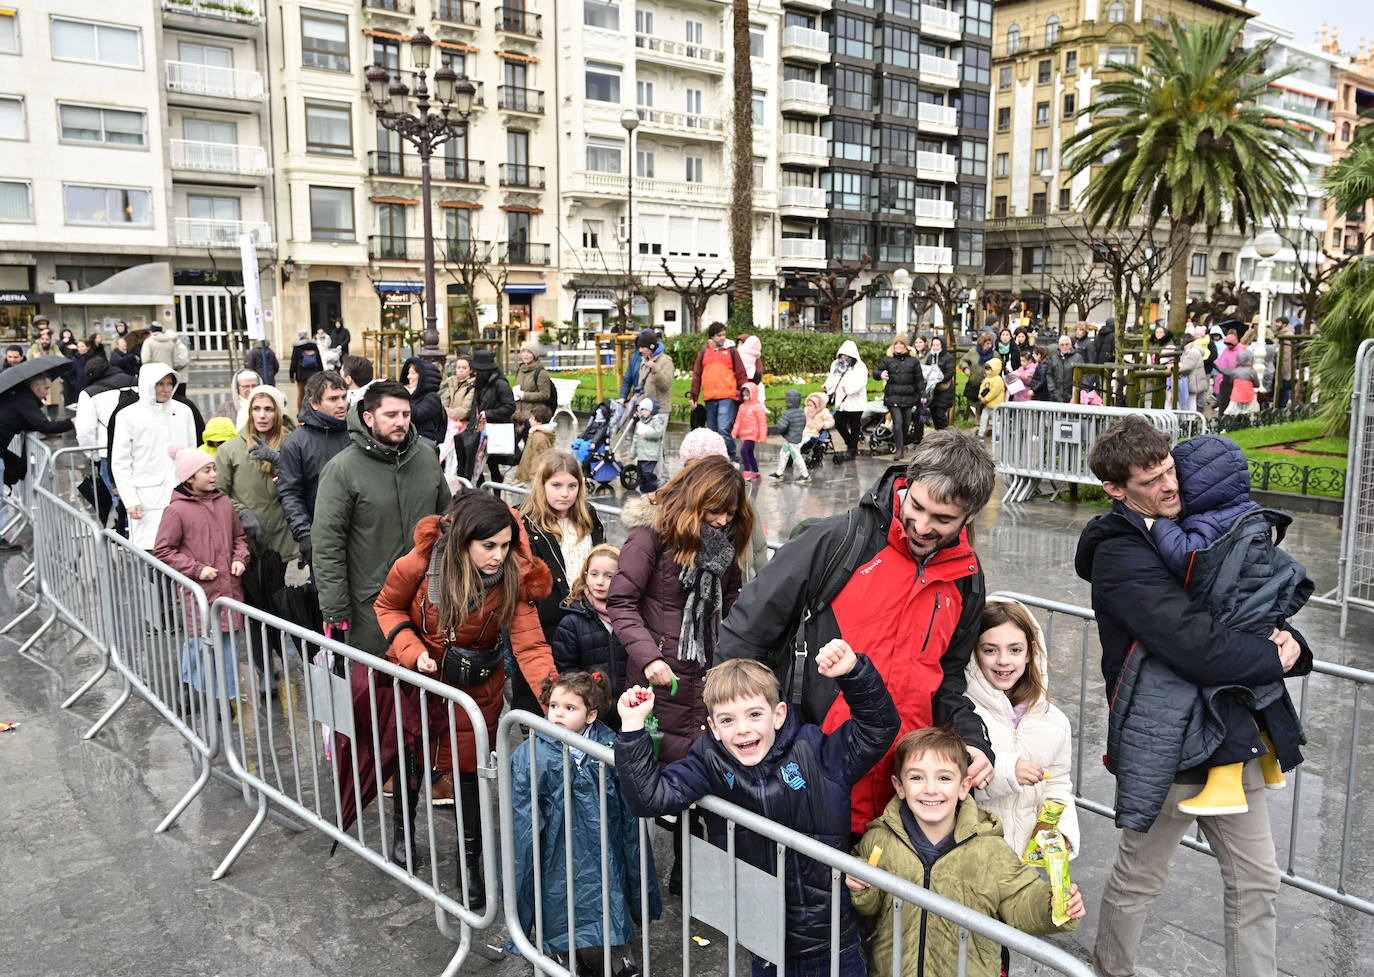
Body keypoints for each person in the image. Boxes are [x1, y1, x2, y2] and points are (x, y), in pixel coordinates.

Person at [1076, 416, 1310, 977]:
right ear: (1115, 489)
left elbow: (1251, 606)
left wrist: (1293, 646)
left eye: (1169, 471)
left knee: (1258, 881)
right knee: (1140, 879)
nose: (1169, 487)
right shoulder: (1118, 552)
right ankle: (1114, 969)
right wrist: (1268, 657)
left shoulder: (1199, 521)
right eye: (1150, 480)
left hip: (1233, 730)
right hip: (1168, 738)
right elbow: (1193, 642)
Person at [716, 431, 998, 834]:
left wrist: (973, 740)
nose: (921, 525)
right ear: (909, 482)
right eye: (916, 506)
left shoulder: (967, 581)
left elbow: (948, 679)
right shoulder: (840, 539)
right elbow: (745, 630)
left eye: (942, 519)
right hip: (808, 779)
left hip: (899, 800)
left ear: (969, 517)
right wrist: (738, 735)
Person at [615, 646, 900, 977]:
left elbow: (878, 729)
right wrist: (633, 728)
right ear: (714, 727)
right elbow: (650, 798)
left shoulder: (816, 753)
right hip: (764, 943)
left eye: (754, 715)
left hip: (832, 941)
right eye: (727, 720)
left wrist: (854, 673)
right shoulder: (708, 762)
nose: (743, 729)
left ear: (778, 714)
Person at [374, 488, 554, 904]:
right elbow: (388, 606)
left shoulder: (513, 575)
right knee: (412, 758)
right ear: (462, 540)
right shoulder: (422, 560)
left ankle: (469, 862)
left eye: (506, 546)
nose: (498, 555)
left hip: (477, 689)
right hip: (418, 679)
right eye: (488, 546)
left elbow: (530, 646)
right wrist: (413, 652)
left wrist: (557, 703)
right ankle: (403, 831)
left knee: (470, 773)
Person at [1139, 434, 1310, 816]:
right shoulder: (1244, 512)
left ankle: (1226, 783)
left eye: (1176, 476)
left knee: (1224, 692)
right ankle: (1270, 763)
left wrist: (1155, 526)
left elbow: (1190, 556)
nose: (1171, 486)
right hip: (1255, 614)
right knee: (1254, 687)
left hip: (1236, 618)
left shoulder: (1208, 522)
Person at [847, 727, 1084, 977]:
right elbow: (870, 909)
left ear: (964, 786)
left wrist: (1053, 905)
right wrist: (863, 888)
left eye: (944, 778)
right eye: (916, 778)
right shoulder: (878, 840)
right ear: (899, 786)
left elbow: (1021, 900)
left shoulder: (990, 849)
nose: (930, 789)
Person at [607, 456, 753, 765]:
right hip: (662, 677)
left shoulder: (725, 543)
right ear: (697, 498)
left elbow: (732, 600)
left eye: (730, 513)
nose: (723, 521)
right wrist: (650, 658)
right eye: (716, 510)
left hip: (708, 673)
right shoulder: (649, 536)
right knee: (662, 779)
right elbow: (621, 602)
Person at [512, 671, 658, 977]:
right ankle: (565, 953)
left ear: (591, 714)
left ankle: (621, 953)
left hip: (604, 838)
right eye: (554, 706)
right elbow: (523, 810)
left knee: (610, 888)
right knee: (556, 894)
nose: (558, 714)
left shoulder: (609, 745)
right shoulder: (531, 753)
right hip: (555, 844)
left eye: (570, 708)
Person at [312, 380, 451, 656]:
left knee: (426, 681)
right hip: (371, 601)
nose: (400, 422)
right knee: (379, 688)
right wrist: (334, 606)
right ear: (368, 417)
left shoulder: (424, 457)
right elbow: (328, 544)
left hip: (428, 595)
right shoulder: (342, 469)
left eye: (406, 414)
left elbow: (448, 519)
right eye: (391, 415)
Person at [965, 599, 1080, 859]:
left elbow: (1058, 783)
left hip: (1026, 862)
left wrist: (1058, 831)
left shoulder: (1054, 720)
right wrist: (1006, 770)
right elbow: (947, 778)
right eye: (990, 650)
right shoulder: (963, 713)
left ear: (1030, 653)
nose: (1004, 661)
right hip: (974, 855)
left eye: (1015, 650)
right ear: (974, 653)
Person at [214, 385, 299, 688]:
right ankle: (264, 670)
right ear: (248, 412)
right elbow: (219, 493)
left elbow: (302, 486)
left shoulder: (291, 445)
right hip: (244, 544)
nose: (262, 415)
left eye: (269, 409)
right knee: (253, 608)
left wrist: (278, 459)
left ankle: (279, 657)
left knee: (277, 604)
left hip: (280, 541)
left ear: (278, 412)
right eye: (256, 409)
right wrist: (241, 512)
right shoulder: (231, 449)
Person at [152, 446, 249, 705]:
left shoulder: (224, 502)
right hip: (200, 592)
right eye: (206, 470)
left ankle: (224, 696)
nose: (213, 474)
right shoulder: (176, 511)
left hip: (228, 587)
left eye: (213, 469)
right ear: (189, 478)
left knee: (228, 642)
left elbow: (239, 537)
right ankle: (192, 686)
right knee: (201, 641)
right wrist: (196, 569)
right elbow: (163, 550)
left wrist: (239, 558)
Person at [518, 451, 605, 705]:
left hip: (586, 615)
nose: (565, 493)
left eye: (572, 486)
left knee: (581, 694)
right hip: (546, 622)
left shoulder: (589, 517)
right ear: (542, 485)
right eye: (556, 485)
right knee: (545, 692)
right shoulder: (528, 523)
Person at [110, 365, 197, 549]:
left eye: (169, 383)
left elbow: (192, 453)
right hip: (145, 498)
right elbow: (121, 462)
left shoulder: (184, 411)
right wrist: (130, 500)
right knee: (151, 550)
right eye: (159, 384)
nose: (165, 389)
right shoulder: (128, 415)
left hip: (181, 494)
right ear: (148, 384)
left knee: (184, 550)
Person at [277, 370, 350, 566]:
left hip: (363, 536)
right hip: (322, 541)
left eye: (344, 397)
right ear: (314, 403)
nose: (342, 404)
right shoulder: (296, 443)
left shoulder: (357, 433)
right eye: (333, 399)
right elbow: (290, 493)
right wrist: (304, 535)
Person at [0, 374, 75, 545]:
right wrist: (71, 422)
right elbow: (45, 427)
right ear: (35, 387)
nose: (48, 393)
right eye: (46, 388)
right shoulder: (24, 400)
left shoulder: (19, 397)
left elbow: (21, 420)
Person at [551, 544, 626, 690]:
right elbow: (567, 669)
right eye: (594, 574)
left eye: (609, 576)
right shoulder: (572, 622)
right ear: (585, 576)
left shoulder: (630, 617)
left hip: (629, 702)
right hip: (591, 703)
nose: (600, 582)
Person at [690, 322, 747, 463]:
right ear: (712, 336)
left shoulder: (732, 351)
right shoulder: (703, 353)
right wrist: (694, 396)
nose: (722, 338)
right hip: (710, 397)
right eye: (719, 335)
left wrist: (746, 392)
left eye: (724, 335)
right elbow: (697, 375)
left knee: (723, 430)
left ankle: (732, 457)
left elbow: (741, 374)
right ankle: (717, 459)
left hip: (727, 396)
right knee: (713, 432)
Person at [878, 332, 925, 460]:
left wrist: (923, 394)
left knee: (905, 423)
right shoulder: (888, 360)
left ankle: (901, 442)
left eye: (901, 344)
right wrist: (880, 374)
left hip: (909, 397)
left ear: (905, 345)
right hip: (893, 397)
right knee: (897, 422)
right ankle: (899, 449)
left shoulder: (913, 361)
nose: (898, 346)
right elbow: (876, 371)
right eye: (896, 344)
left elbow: (919, 379)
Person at [471, 349, 516, 482]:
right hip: (481, 429)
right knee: (478, 464)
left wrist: (489, 414)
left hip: (494, 431)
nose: (475, 373)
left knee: (493, 466)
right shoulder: (482, 383)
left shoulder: (500, 383)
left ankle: (496, 495)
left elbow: (510, 407)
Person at [823, 339, 869, 464]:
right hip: (841, 402)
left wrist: (850, 390)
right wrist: (827, 387)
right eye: (842, 355)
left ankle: (852, 449)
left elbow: (861, 382)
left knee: (855, 426)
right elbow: (832, 378)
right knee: (839, 423)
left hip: (855, 402)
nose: (844, 357)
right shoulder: (837, 364)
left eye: (847, 355)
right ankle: (850, 443)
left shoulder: (860, 367)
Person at [400, 356, 445, 445]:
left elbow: (416, 415)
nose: (409, 377)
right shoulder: (413, 395)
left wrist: (406, 397)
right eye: (408, 373)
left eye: (413, 373)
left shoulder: (432, 397)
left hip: (424, 445)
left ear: (422, 377)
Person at [770, 388, 810, 484]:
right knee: (783, 453)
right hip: (796, 437)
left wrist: (783, 433)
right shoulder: (801, 411)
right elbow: (804, 423)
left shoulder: (787, 414)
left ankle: (805, 475)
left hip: (791, 439)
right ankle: (779, 473)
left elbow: (781, 427)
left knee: (796, 456)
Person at [730, 381, 768, 482]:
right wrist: (734, 431)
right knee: (750, 453)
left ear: (753, 394)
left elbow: (762, 422)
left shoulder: (758, 407)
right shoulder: (742, 407)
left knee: (743, 451)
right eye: (744, 395)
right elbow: (738, 420)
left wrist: (762, 436)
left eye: (747, 395)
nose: (745, 397)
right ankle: (756, 471)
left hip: (753, 434)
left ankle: (747, 471)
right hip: (745, 433)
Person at [141, 325, 191, 398]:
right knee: (170, 395)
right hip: (169, 374)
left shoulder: (148, 342)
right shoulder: (170, 343)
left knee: (158, 396)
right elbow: (175, 360)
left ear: (151, 331)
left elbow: (145, 360)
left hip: (155, 375)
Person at [629, 396, 667, 492]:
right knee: (641, 476)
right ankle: (644, 494)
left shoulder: (655, 421)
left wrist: (647, 435)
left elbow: (658, 433)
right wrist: (632, 454)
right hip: (641, 455)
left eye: (646, 409)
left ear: (651, 410)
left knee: (648, 475)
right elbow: (635, 439)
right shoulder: (639, 424)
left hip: (651, 455)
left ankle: (652, 493)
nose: (643, 412)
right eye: (642, 409)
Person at [634, 332, 674, 417]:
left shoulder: (666, 361)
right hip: (644, 411)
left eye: (643, 347)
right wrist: (639, 404)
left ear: (651, 347)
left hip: (660, 411)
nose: (640, 350)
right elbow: (641, 386)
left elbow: (666, 385)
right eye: (639, 347)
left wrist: (655, 369)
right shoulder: (644, 361)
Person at [959, 331, 995, 423]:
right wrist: (966, 368)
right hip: (975, 383)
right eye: (987, 343)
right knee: (975, 405)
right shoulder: (973, 352)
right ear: (982, 343)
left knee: (987, 406)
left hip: (989, 385)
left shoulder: (994, 354)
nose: (989, 346)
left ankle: (987, 425)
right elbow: (963, 361)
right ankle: (977, 422)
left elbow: (999, 365)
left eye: (991, 344)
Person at [923, 335, 956, 430]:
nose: (935, 347)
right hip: (933, 391)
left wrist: (939, 379)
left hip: (944, 391)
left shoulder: (948, 357)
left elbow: (950, 372)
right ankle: (939, 434)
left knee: (940, 413)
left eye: (937, 345)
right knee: (934, 413)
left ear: (942, 345)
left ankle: (945, 434)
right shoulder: (930, 357)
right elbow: (927, 370)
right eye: (933, 345)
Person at [511, 342, 555, 414]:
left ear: (534, 355)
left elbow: (545, 395)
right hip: (519, 415)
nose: (525, 354)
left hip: (534, 415)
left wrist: (524, 395)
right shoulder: (519, 370)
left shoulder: (541, 373)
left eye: (529, 352)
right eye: (523, 352)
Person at [289, 330, 325, 409]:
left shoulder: (297, 347)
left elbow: (293, 362)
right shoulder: (314, 345)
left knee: (301, 395)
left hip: (301, 376)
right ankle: (315, 411)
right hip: (314, 375)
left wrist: (291, 375)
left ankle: (301, 413)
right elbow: (319, 361)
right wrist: (322, 373)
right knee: (314, 394)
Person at [1220, 348, 1260, 416]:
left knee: (1232, 412)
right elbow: (1257, 384)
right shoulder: (1252, 371)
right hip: (1248, 396)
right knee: (1248, 412)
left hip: (1236, 396)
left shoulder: (1235, 371)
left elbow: (1231, 381)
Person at [1046, 335, 1081, 404]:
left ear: (1070, 345)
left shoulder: (1078, 358)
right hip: (1055, 395)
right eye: (1062, 345)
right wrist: (1052, 389)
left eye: (1066, 344)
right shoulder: (1054, 358)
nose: (1064, 346)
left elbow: (1083, 376)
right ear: (1059, 346)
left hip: (1072, 395)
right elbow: (1049, 374)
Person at [976, 358, 1005, 438]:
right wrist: (980, 397)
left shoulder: (998, 380)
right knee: (983, 420)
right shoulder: (987, 379)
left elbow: (994, 392)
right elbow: (981, 388)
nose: (988, 372)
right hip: (986, 405)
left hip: (995, 405)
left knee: (996, 421)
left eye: (990, 370)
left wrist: (986, 399)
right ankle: (981, 434)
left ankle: (997, 435)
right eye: (987, 370)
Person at [801, 391, 835, 462]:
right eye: (808, 405)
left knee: (817, 447)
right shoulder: (806, 411)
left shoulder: (824, 412)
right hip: (806, 433)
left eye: (811, 406)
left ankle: (818, 455)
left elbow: (831, 421)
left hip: (818, 434)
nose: (808, 407)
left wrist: (823, 424)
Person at [445, 355, 476, 424]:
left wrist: (447, 412)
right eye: (458, 368)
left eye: (464, 368)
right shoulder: (451, 382)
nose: (460, 370)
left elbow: (465, 410)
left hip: (464, 424)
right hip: (451, 423)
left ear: (470, 370)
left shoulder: (472, 385)